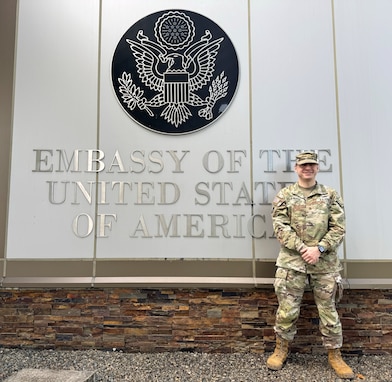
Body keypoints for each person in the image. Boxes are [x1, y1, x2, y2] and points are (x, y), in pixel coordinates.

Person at [266, 151, 354, 379]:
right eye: (303, 165)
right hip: (292, 264)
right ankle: (281, 349)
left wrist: (320, 249)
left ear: (317, 168)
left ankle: (335, 354)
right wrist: (304, 249)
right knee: (287, 310)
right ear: (296, 168)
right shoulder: (284, 195)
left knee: (328, 311)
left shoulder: (330, 195)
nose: (307, 168)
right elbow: (280, 227)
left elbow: (338, 228)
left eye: (312, 165)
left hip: (324, 265)